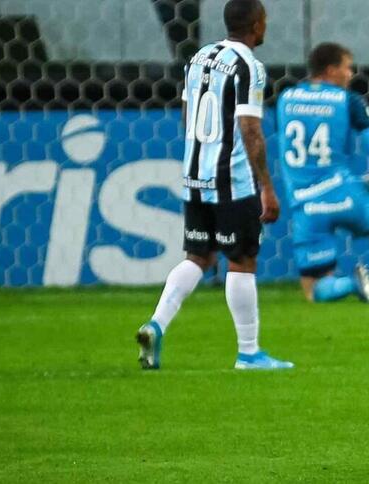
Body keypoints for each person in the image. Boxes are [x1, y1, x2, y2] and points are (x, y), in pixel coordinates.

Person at [135, 0, 293, 371]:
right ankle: (249, 352)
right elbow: (250, 129)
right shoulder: (249, 67)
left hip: (195, 175)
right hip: (232, 181)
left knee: (198, 257)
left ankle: (156, 324)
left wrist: (201, 156)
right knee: (242, 260)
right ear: (256, 25)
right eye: (265, 21)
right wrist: (266, 187)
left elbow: (188, 114)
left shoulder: (200, 58)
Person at [275, 42, 369, 304]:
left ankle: (350, 284)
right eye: (347, 67)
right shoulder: (346, 101)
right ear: (332, 70)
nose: (351, 74)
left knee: (314, 290)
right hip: (344, 194)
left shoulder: (285, 99)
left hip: (305, 206)